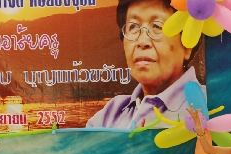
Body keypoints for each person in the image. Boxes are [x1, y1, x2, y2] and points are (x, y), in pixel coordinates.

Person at [87, 0, 204, 129]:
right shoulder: (110, 115)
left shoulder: (212, 103)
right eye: (133, 27)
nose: (142, 41)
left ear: (188, 46)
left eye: (157, 26)